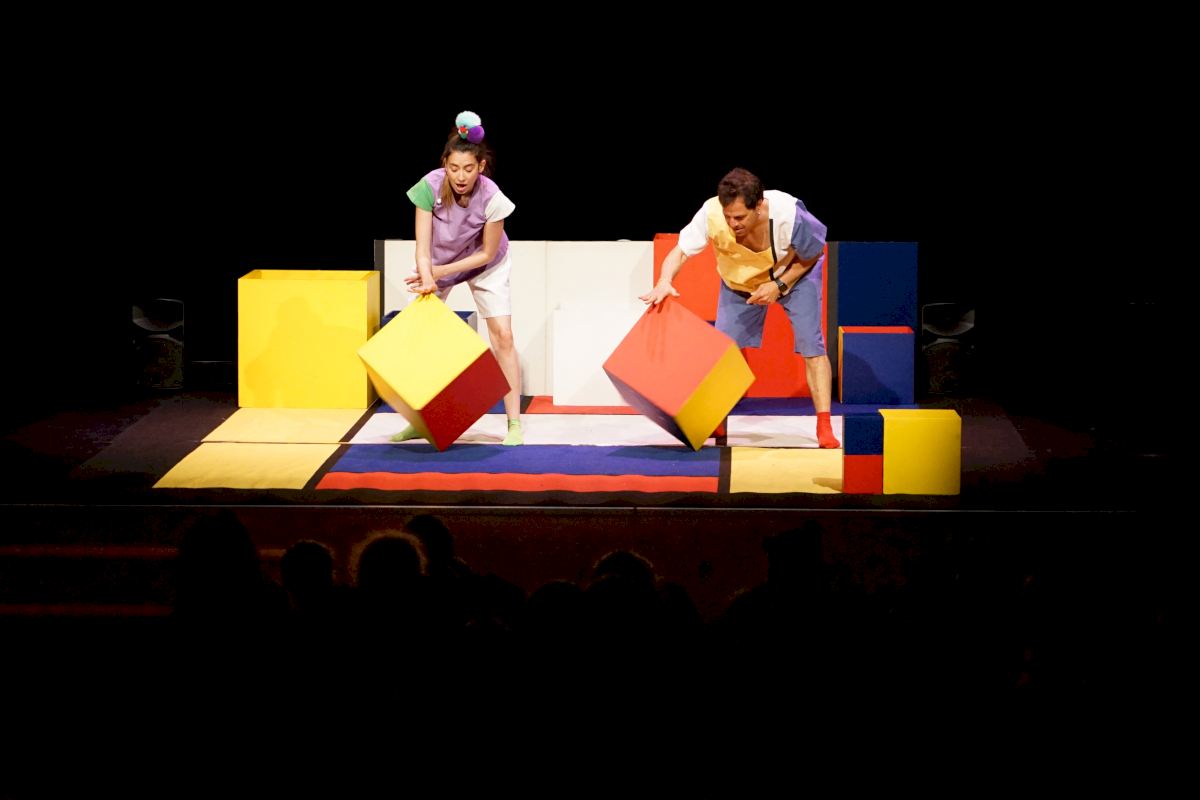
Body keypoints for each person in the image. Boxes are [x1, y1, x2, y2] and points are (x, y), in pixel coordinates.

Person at [640, 168, 840, 448]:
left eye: (740, 217)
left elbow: (814, 252)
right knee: (722, 353)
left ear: (758, 205)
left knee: (812, 346)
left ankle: (824, 425)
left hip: (794, 276)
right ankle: (718, 420)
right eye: (728, 217)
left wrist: (779, 285)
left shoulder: (788, 213)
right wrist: (664, 281)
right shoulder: (710, 213)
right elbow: (682, 251)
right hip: (739, 282)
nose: (733, 223)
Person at [393, 111, 524, 446]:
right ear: (445, 165)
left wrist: (437, 274)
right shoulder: (429, 186)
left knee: (504, 336)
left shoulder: (493, 197)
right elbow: (422, 247)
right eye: (453, 168)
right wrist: (427, 275)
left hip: (485, 264)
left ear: (481, 166)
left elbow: (486, 253)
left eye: (468, 168)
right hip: (439, 261)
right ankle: (421, 419)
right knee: (418, 338)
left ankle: (513, 423)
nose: (460, 176)